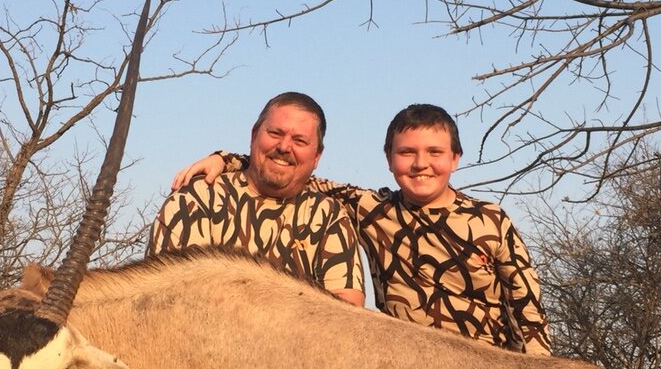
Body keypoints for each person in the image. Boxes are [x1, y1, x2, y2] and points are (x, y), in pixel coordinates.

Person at [172, 104, 550, 353]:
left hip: (489, 367)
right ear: (389, 160)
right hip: (407, 366)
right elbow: (295, 172)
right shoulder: (371, 209)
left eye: (435, 153)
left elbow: (529, 311)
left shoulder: (492, 220)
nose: (421, 164)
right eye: (407, 153)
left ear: (455, 158)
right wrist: (227, 159)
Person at [148, 91, 365, 307]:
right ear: (254, 135)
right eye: (275, 133)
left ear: (317, 156)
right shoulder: (195, 198)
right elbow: (172, 298)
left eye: (299, 141)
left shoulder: (329, 216)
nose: (284, 147)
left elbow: (348, 310)